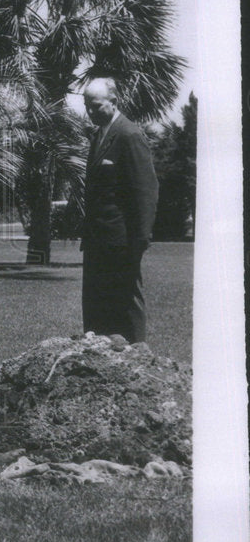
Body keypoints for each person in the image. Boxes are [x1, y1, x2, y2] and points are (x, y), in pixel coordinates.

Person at [81, 77, 159, 343]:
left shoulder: (129, 135)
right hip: (97, 239)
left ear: (113, 102)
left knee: (126, 301)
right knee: (98, 301)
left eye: (95, 106)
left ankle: (138, 355)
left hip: (121, 240)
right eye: (86, 106)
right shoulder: (99, 135)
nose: (90, 112)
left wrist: (141, 238)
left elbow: (145, 191)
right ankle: (100, 352)